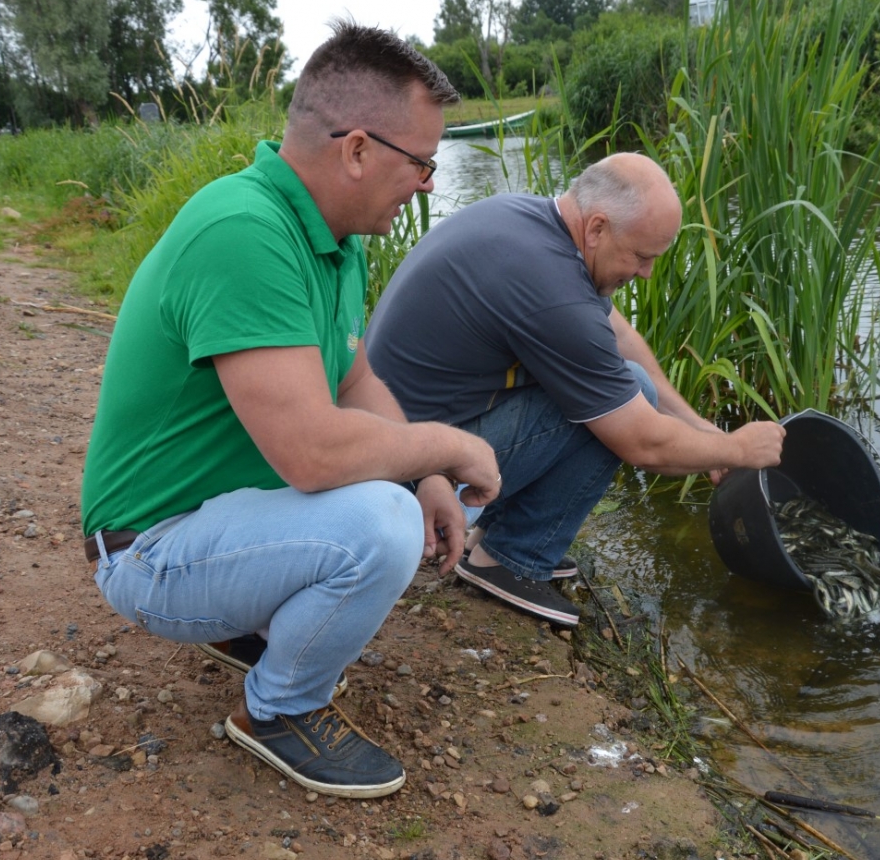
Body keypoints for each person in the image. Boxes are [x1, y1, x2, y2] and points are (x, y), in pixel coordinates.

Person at [79, 23, 500, 800]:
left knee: (395, 495)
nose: (430, 184)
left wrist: (431, 471)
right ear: (359, 150)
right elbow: (312, 455)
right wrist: (447, 444)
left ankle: (248, 625)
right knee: (380, 522)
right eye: (422, 163)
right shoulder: (244, 230)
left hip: (215, 518)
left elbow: (354, 377)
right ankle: (278, 710)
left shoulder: (335, 241)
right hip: (148, 552)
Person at [364, 153, 787, 627]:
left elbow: (620, 339)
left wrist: (696, 425)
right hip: (408, 478)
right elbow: (642, 444)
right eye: (642, 256)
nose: (646, 273)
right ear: (598, 228)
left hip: (404, 434)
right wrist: (736, 448)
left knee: (628, 385)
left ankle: (497, 540)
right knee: (625, 402)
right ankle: (511, 558)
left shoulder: (533, 224)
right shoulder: (551, 289)